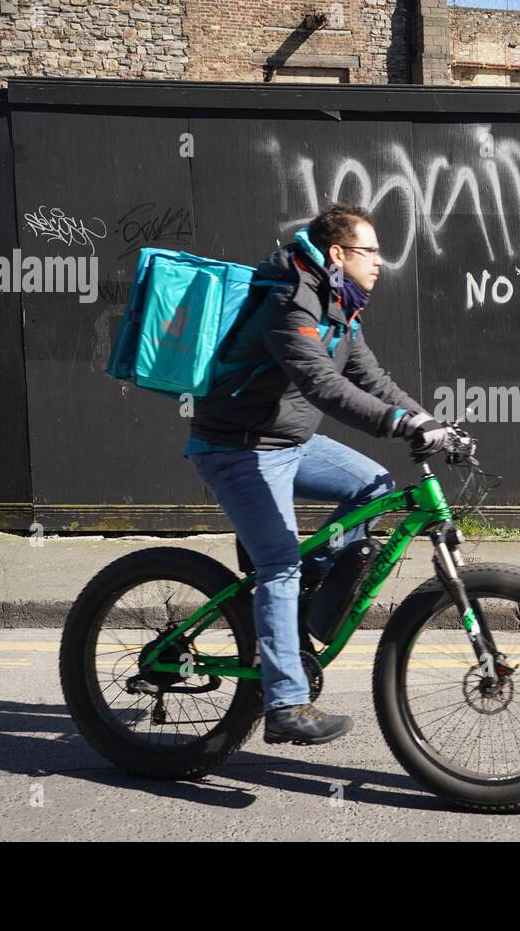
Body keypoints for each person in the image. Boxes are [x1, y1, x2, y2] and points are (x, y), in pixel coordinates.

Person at [183, 202, 450, 745]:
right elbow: (322, 386)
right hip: (238, 449)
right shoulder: (289, 299)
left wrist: (428, 419)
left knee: (371, 484)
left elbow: (369, 377)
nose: (380, 262)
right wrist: (399, 424)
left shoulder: (339, 305)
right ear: (337, 253)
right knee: (279, 564)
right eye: (369, 252)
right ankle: (285, 705)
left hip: (290, 441)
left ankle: (308, 597)